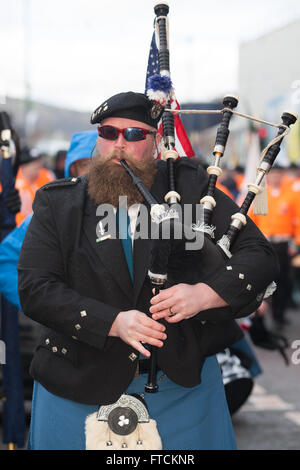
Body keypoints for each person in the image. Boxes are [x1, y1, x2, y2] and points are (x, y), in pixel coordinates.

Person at [18, 92, 278, 450]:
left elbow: (258, 255)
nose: (119, 144)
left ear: (155, 142)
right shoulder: (59, 203)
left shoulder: (188, 188)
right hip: (76, 383)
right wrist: (112, 322)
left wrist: (205, 294)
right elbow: (35, 287)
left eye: (134, 135)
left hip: (181, 387)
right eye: (109, 133)